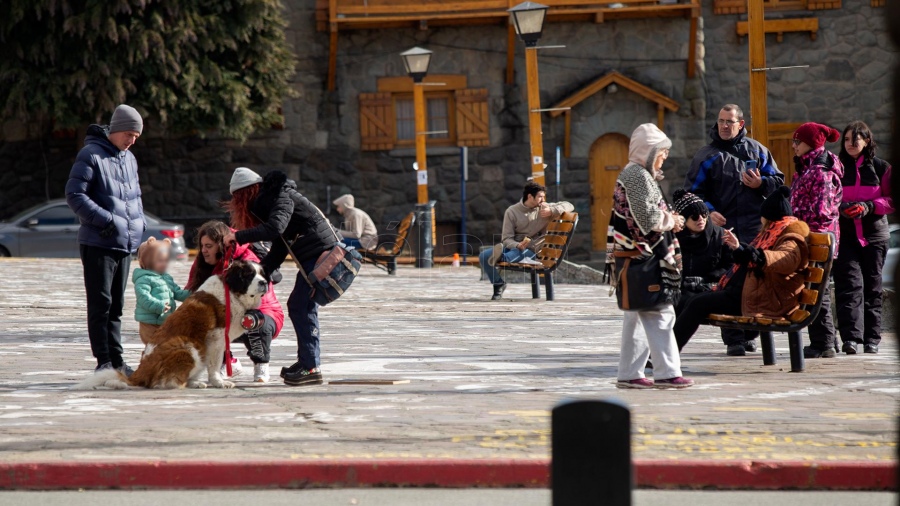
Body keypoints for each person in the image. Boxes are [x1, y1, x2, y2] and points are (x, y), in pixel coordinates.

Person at [223, 168, 339, 387]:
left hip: (320, 255)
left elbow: (275, 229)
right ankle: (308, 363)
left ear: (248, 192)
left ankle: (310, 367)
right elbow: (281, 244)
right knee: (300, 305)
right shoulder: (274, 199)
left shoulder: (281, 196)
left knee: (301, 306)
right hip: (313, 256)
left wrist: (238, 236)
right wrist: (264, 271)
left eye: (238, 200)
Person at [607, 123, 692, 389]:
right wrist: (672, 220)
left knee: (637, 316)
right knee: (661, 313)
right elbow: (647, 219)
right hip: (645, 259)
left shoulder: (636, 174)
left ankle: (630, 374)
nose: (665, 156)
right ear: (648, 151)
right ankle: (667, 372)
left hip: (635, 258)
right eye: (662, 151)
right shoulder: (637, 176)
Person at [674, 186, 811, 351]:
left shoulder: (790, 237)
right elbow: (750, 257)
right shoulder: (773, 233)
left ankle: (667, 354)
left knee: (698, 303)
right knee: (693, 301)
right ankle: (667, 354)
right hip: (755, 292)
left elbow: (785, 259)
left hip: (767, 298)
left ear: (768, 218)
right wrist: (738, 248)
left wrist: (760, 256)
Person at [66, 104, 146, 376]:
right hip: (98, 242)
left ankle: (117, 360)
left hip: (124, 243)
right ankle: (103, 362)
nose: (132, 141)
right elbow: (75, 195)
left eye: (136, 136)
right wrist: (107, 220)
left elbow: (136, 196)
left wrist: (140, 224)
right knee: (101, 305)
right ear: (117, 129)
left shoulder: (129, 158)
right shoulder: (90, 154)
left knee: (117, 307)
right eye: (129, 134)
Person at [186, 221, 284, 382]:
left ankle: (261, 363)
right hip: (228, 315)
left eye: (209, 246)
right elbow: (191, 292)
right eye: (202, 246)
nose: (204, 250)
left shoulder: (248, 263)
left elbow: (258, 301)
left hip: (262, 314)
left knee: (251, 320)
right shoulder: (202, 262)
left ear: (221, 246)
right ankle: (227, 362)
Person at [684, 104, 784, 243]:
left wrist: (760, 183)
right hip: (721, 233)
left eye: (729, 122)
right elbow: (691, 194)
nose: (724, 126)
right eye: (721, 121)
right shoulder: (704, 156)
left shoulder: (757, 150)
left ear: (740, 124)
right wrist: (708, 212)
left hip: (755, 232)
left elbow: (778, 183)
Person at [834, 121, 893, 355]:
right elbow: (829, 196)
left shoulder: (881, 168)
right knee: (848, 286)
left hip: (874, 236)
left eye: (855, 139)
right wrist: (841, 207)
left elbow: (891, 200)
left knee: (873, 286)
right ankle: (850, 338)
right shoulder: (837, 167)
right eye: (847, 139)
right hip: (846, 236)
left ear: (867, 141)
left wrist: (869, 206)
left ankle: (872, 339)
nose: (850, 143)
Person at [671, 190, 752, 356]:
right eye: (694, 217)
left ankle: (736, 341)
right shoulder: (675, 238)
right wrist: (683, 281)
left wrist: (708, 279)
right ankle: (667, 349)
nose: (701, 219)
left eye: (704, 215)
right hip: (685, 286)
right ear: (684, 220)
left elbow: (730, 266)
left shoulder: (720, 235)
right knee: (675, 301)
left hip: (714, 284)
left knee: (721, 297)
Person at [789, 123, 844, 359]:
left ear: (811, 144)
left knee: (816, 290)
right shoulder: (807, 168)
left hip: (818, 239)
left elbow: (823, 212)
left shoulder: (821, 173)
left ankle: (824, 343)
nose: (793, 146)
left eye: (797, 141)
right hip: (811, 238)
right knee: (815, 289)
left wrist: (800, 228)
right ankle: (827, 341)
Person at [479, 182, 574, 300]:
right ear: (530, 197)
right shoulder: (512, 211)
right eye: (540, 197)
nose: (543, 200)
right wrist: (517, 245)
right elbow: (507, 238)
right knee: (483, 256)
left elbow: (569, 205)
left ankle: (500, 257)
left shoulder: (545, 208)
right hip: (515, 246)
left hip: (533, 249)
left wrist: (552, 210)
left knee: (507, 257)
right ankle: (498, 283)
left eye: (543, 197)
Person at [132, 237, 191, 345]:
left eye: (166, 260)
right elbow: (143, 298)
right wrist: (159, 306)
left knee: (164, 346)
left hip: (164, 321)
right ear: (147, 261)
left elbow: (177, 292)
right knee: (153, 346)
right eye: (160, 261)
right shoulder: (144, 279)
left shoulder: (166, 278)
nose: (164, 264)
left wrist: (192, 295)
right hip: (149, 323)